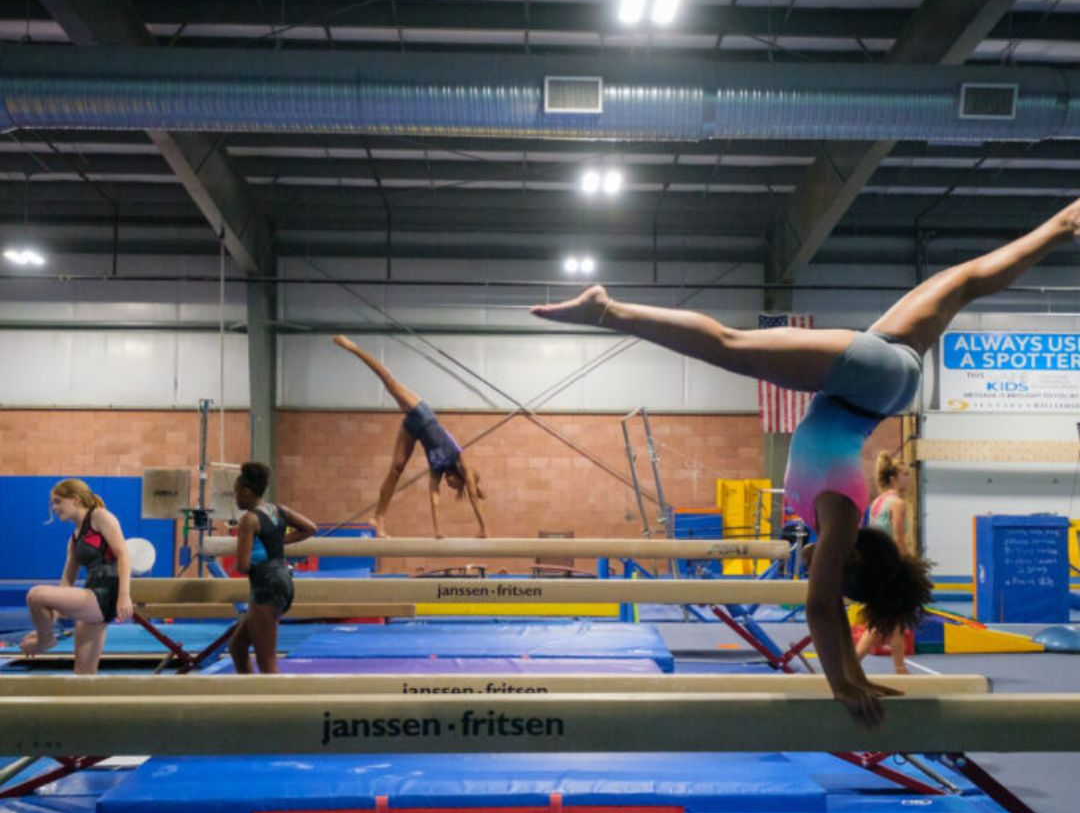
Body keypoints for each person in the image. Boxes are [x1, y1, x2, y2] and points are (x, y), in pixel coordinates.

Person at [532, 197, 1079, 725]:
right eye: (836, 574)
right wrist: (839, 683)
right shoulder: (841, 512)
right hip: (865, 382)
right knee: (730, 344)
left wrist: (852, 675)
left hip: (887, 382)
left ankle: (1060, 225)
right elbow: (821, 607)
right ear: (853, 562)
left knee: (964, 282)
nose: (820, 569)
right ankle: (607, 309)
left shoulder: (840, 519)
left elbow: (833, 612)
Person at [332, 334, 488, 538]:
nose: (451, 486)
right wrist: (483, 528)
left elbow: (434, 498)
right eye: (456, 486)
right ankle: (352, 346)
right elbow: (473, 495)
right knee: (388, 380)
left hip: (413, 430)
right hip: (422, 414)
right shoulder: (459, 459)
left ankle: (379, 518)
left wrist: (438, 532)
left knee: (396, 469)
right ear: (462, 480)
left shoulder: (437, 469)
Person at [21, 478, 133, 674]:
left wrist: (124, 595)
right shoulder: (74, 538)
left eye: (58, 501)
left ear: (75, 499)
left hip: (106, 595)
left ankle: (45, 641)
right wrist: (48, 622)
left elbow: (123, 554)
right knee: (83, 672)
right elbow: (66, 582)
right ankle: (46, 638)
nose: (55, 508)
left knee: (35, 594)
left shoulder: (100, 517)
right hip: (91, 597)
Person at [229, 462, 317, 674]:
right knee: (237, 647)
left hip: (266, 584)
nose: (235, 499)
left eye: (236, 493)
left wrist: (252, 556)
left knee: (267, 662)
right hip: (283, 580)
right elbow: (310, 528)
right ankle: (255, 698)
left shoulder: (249, 520)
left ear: (247, 492)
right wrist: (277, 543)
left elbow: (241, 566)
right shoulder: (279, 510)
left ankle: (277, 706)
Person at [855, 453, 913, 675]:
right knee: (881, 621)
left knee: (894, 618)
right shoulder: (897, 503)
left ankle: (900, 667)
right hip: (889, 567)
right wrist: (908, 565)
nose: (908, 478)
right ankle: (852, 663)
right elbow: (898, 538)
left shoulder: (876, 503)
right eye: (905, 474)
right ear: (893, 478)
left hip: (873, 564)